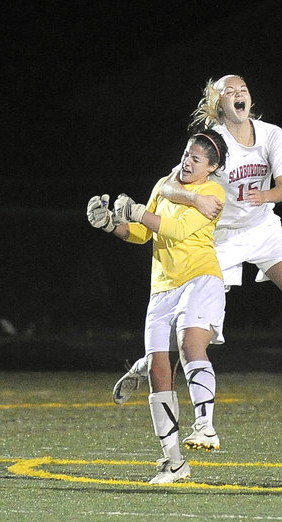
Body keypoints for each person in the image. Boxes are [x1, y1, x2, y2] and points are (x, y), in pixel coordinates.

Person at [113, 75, 282, 405]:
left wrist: (267, 195)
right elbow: (169, 185)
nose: (238, 94)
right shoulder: (212, 144)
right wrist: (196, 200)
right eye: (229, 92)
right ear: (219, 105)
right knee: (196, 331)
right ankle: (147, 364)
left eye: (242, 89)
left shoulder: (272, 134)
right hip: (221, 238)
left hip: (262, 228)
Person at [87, 129, 228, 484]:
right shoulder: (165, 183)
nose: (187, 160)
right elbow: (143, 232)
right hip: (162, 287)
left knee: (190, 343)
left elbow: (178, 230)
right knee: (159, 372)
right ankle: (174, 462)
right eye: (186, 153)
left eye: (196, 159)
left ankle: (205, 426)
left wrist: (134, 211)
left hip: (200, 278)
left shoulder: (212, 192)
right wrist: (111, 225)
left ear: (210, 168)